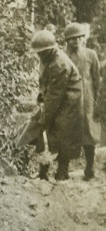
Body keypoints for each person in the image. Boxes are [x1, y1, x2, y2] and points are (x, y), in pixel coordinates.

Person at [18, 30, 83, 181]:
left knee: (62, 134)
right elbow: (46, 84)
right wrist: (41, 96)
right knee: (42, 131)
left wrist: (45, 119)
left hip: (69, 102)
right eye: (38, 53)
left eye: (41, 53)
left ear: (51, 49)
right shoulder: (47, 58)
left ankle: (62, 172)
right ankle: (43, 173)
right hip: (56, 98)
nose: (39, 55)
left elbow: (55, 97)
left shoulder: (59, 64)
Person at [63, 22, 101, 180]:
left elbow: (96, 78)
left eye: (78, 38)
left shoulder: (91, 55)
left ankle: (89, 168)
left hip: (87, 100)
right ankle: (62, 170)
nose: (76, 41)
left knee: (89, 133)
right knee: (66, 132)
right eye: (72, 39)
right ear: (67, 41)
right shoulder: (63, 56)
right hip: (69, 100)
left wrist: (96, 99)